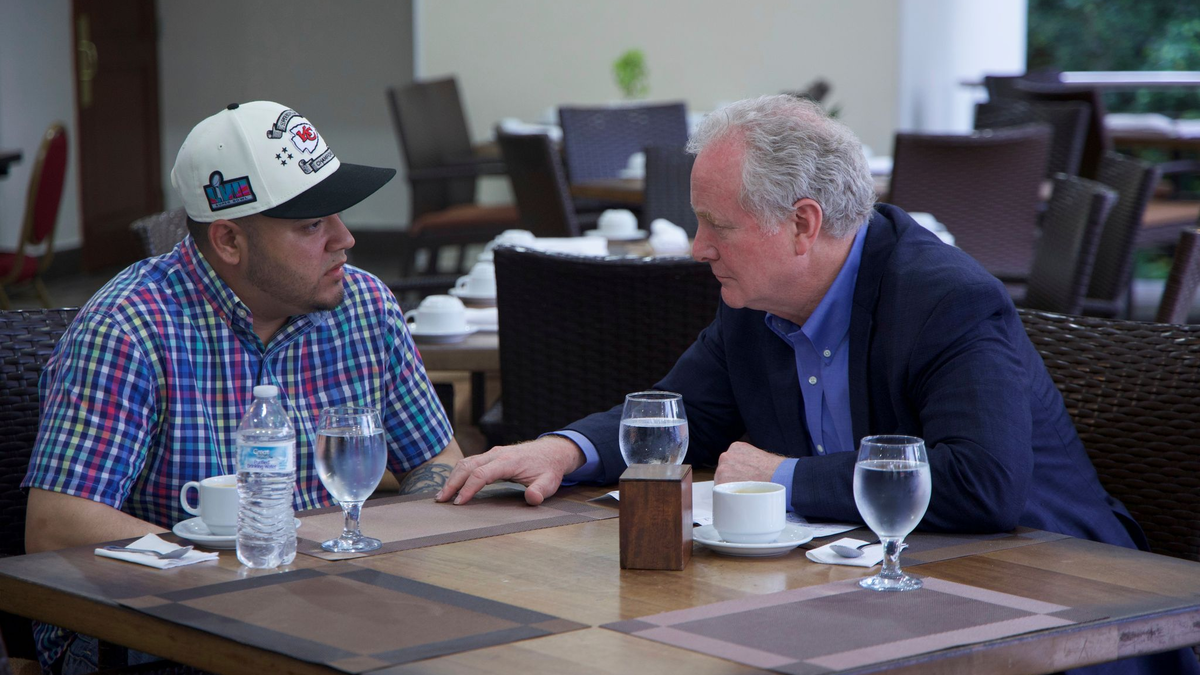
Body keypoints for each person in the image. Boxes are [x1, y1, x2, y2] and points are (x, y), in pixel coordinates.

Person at [437, 95, 1195, 675]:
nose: (697, 248)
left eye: (715, 225)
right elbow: (682, 413)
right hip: (882, 596)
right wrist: (563, 448)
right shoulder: (754, 301)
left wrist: (785, 478)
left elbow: (984, 483)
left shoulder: (943, 298)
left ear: (804, 224)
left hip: (1058, 604)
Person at [22, 101, 462, 672]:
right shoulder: (129, 328)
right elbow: (58, 526)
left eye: (339, 215)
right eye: (312, 224)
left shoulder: (364, 304)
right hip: (149, 625)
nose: (345, 239)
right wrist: (249, 576)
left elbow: (439, 461)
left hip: (328, 607)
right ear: (229, 241)